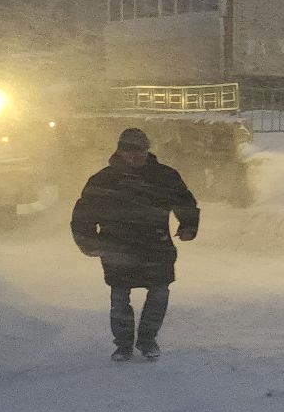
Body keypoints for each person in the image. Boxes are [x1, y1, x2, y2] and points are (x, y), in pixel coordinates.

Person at [70, 128, 199, 361]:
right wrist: (89, 242)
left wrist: (188, 225)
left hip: (156, 246)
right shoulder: (103, 180)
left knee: (159, 294)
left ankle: (148, 340)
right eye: (129, 151)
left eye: (139, 150)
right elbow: (83, 214)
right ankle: (123, 345)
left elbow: (185, 202)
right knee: (120, 297)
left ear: (147, 150)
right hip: (117, 248)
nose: (135, 156)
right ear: (119, 151)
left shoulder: (165, 176)